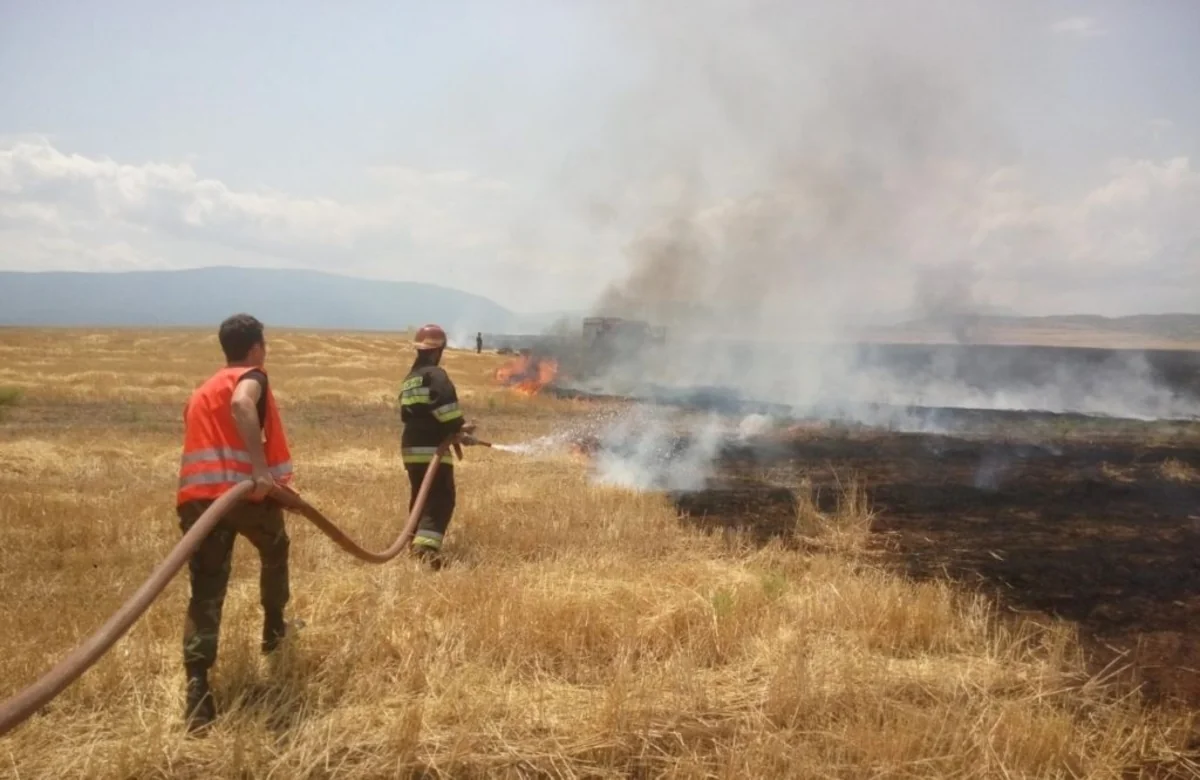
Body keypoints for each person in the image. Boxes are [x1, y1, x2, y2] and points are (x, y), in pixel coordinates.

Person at [175, 313, 295, 733]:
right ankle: (274, 630)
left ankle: (198, 687)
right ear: (256, 348)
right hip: (244, 495)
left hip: (197, 501)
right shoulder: (252, 377)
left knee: (206, 589)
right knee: (276, 548)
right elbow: (243, 404)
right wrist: (261, 472)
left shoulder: (202, 390)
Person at [399, 323, 474, 568]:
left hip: (411, 447)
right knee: (441, 498)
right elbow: (446, 409)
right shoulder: (436, 375)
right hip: (431, 447)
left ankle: (413, 542)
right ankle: (426, 550)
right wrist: (459, 428)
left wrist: (454, 431)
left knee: (420, 495)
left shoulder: (410, 378)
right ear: (438, 350)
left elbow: (411, 413)